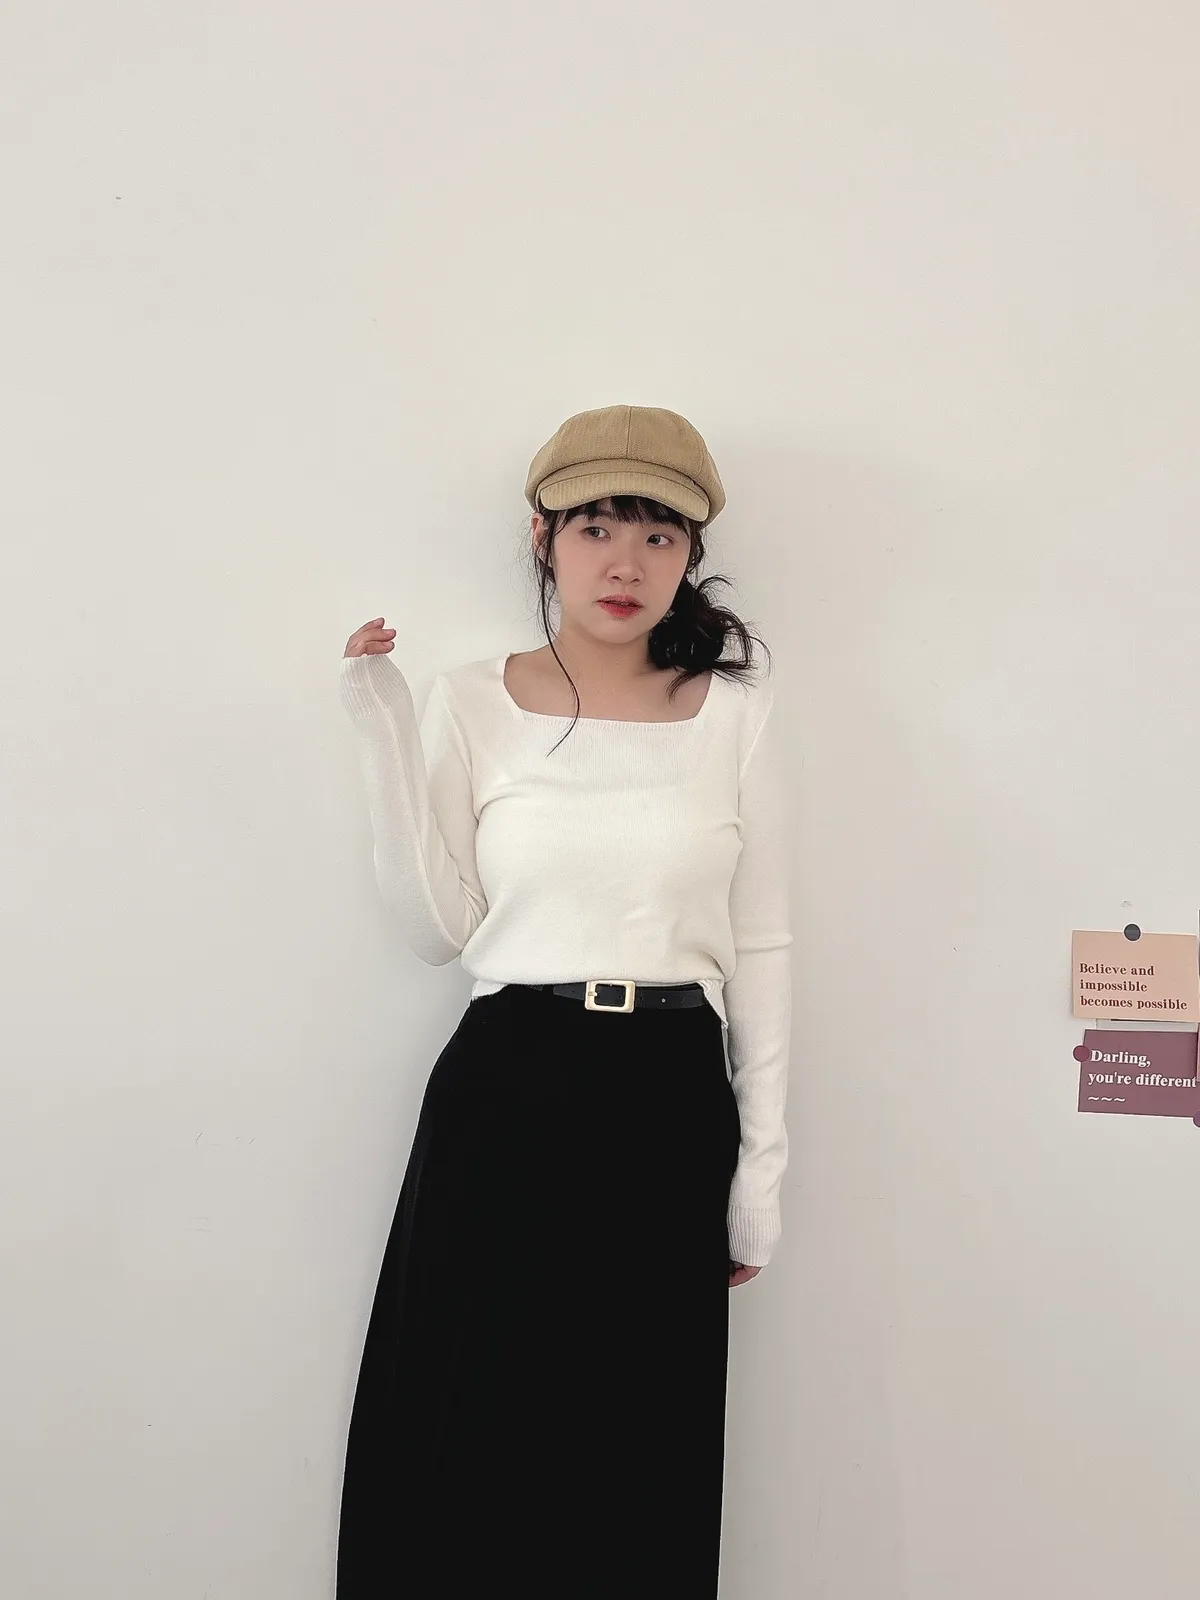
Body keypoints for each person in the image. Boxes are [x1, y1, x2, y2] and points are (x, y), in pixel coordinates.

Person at [334, 404, 793, 1598]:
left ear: (690, 554)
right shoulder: (471, 700)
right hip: (508, 1088)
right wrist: (382, 722)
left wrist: (761, 1170)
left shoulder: (735, 717)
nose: (625, 562)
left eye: (657, 533)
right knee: (467, 1433)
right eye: (597, 527)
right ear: (543, 537)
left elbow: (763, 944)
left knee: (639, 1450)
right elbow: (436, 929)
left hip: (669, 1102)